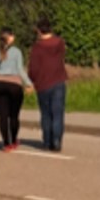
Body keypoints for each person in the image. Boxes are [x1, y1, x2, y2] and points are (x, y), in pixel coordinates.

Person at [0, 27, 34, 152]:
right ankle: (14, 140)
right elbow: (20, 69)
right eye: (12, 35)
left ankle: (6, 143)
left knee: (2, 116)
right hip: (14, 85)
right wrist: (29, 84)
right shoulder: (16, 52)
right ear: (9, 37)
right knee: (14, 116)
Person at [29, 17, 69, 152]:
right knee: (58, 113)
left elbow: (33, 68)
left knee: (46, 114)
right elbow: (63, 54)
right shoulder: (59, 43)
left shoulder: (37, 47)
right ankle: (57, 141)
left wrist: (32, 80)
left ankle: (47, 141)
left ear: (39, 31)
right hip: (58, 80)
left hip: (43, 83)